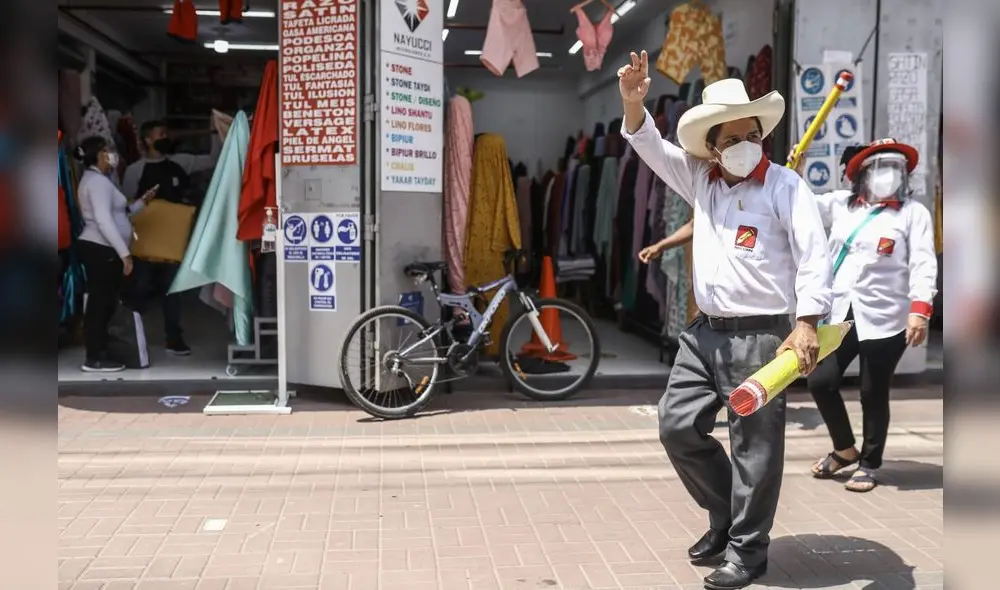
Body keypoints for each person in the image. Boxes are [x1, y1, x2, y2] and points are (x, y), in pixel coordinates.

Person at [619, 50, 832, 590]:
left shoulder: (786, 186)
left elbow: (814, 254)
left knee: (755, 450)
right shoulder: (703, 182)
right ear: (712, 146)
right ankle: (725, 516)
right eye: (730, 139)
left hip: (762, 339)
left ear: (763, 135)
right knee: (676, 426)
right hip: (703, 335)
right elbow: (652, 148)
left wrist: (806, 321)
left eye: (749, 136)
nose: (742, 147)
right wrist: (632, 102)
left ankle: (748, 551)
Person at [792, 139, 938, 492]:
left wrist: (920, 310)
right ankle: (845, 449)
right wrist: (795, 172)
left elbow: (923, 263)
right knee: (820, 380)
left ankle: (869, 463)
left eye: (895, 167)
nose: (888, 174)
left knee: (873, 391)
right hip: (842, 313)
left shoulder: (912, 214)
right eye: (879, 166)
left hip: (887, 316)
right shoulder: (842, 205)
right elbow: (801, 207)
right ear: (859, 174)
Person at [121, 120, 220, 356]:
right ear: (147, 139)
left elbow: (213, 159)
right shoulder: (135, 170)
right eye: (161, 134)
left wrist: (217, 130)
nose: (166, 137)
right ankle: (131, 337)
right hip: (144, 243)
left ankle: (173, 338)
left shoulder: (180, 163)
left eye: (166, 132)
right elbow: (124, 207)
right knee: (139, 290)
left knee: (172, 291)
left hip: (173, 245)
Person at [74, 136, 157, 372]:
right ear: (99, 155)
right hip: (102, 250)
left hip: (103, 249)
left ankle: (101, 352)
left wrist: (143, 202)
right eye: (107, 150)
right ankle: (95, 357)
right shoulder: (98, 183)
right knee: (101, 303)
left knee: (105, 301)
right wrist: (124, 254)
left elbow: (122, 212)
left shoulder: (99, 180)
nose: (112, 154)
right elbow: (103, 220)